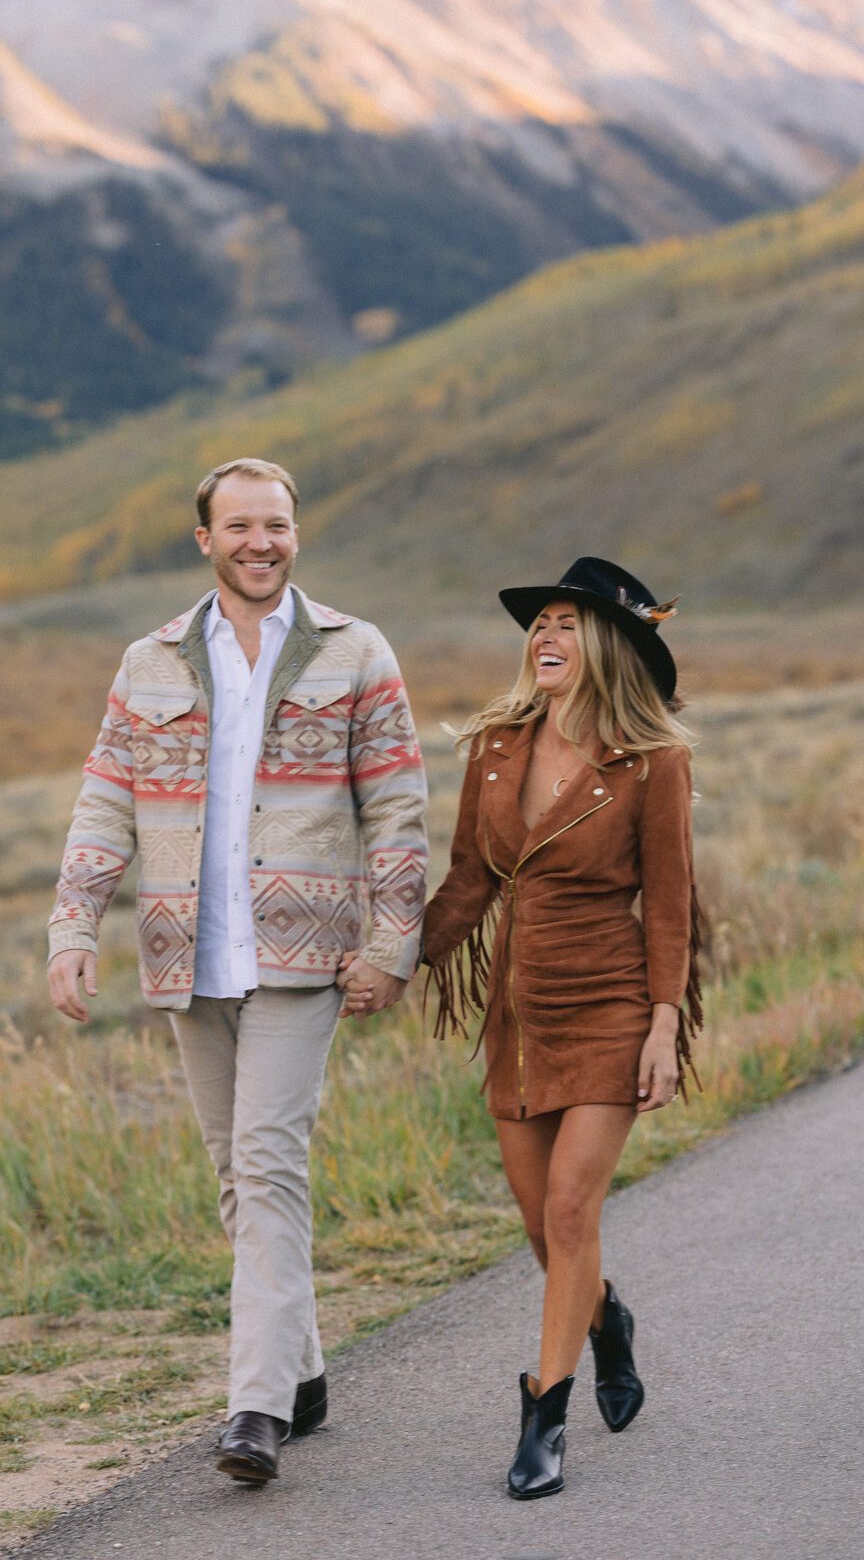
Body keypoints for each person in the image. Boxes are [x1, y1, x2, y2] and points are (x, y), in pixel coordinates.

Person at [47, 458, 428, 1485]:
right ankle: (303, 1373)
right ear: (205, 539)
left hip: (305, 958)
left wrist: (391, 943)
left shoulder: (356, 651)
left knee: (267, 1164)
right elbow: (105, 801)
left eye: (278, 526)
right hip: (190, 955)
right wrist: (72, 927)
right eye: (242, 526)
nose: (262, 543)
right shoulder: (150, 661)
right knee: (236, 1176)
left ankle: (256, 1410)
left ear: (295, 534)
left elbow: (397, 806)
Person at [421, 557, 702, 1501]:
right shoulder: (497, 746)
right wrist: (394, 960)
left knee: (574, 1212)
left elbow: (671, 904)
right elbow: (468, 882)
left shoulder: (653, 761)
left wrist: (663, 1027)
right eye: (540, 622)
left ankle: (545, 1418)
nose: (545, 635)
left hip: (611, 1003)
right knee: (543, 1225)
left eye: (567, 624)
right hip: (519, 1013)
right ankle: (604, 1318)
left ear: (611, 647)